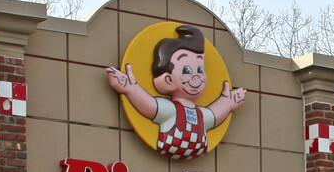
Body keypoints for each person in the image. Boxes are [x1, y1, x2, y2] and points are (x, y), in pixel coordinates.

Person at [106, 25, 247, 158]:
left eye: (200, 70)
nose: (196, 76)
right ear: (167, 79)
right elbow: (150, 106)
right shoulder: (170, 110)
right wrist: (131, 89)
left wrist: (227, 103)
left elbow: (215, 115)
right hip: (169, 148)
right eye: (186, 70)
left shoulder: (201, 116)